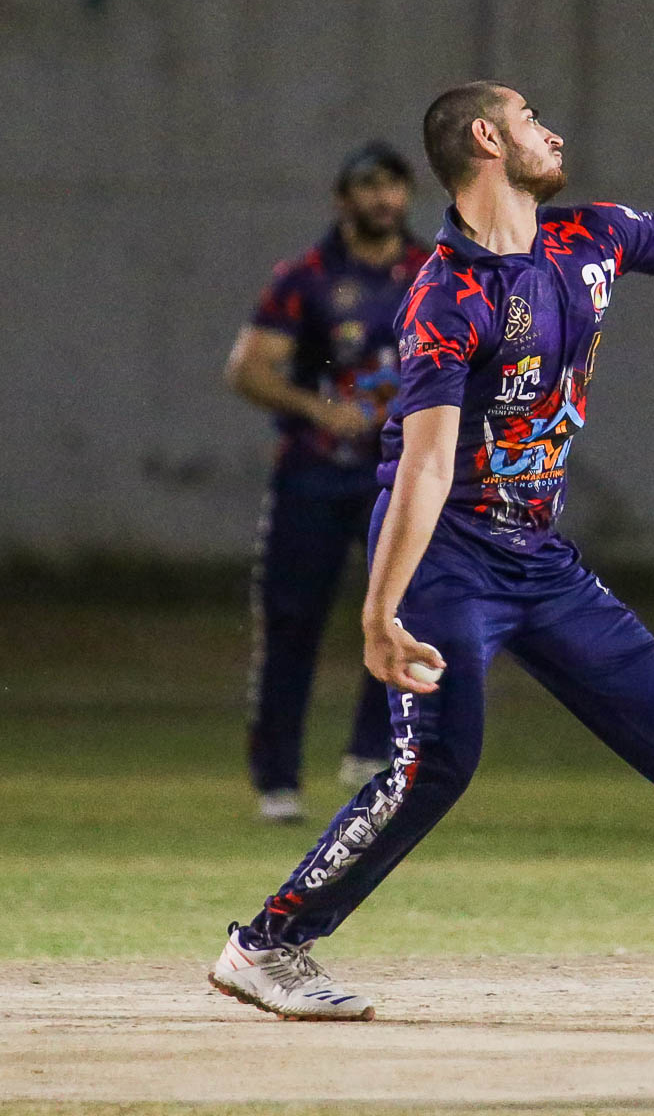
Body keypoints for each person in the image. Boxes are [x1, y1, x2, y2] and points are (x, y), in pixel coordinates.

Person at [209, 83, 654, 1017]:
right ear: (486, 139)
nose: (552, 133)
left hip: (535, 555)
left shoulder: (588, 237)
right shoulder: (445, 296)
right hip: (445, 557)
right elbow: (426, 465)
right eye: (529, 120)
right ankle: (267, 944)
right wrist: (381, 612)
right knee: (436, 765)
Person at [225, 142, 430, 822]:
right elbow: (248, 369)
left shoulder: (431, 272)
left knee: (405, 611)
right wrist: (319, 411)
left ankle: (374, 752)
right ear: (343, 198)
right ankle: (277, 781)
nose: (384, 198)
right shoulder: (306, 277)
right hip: (314, 475)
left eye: (394, 185)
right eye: (369, 185)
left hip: (397, 477)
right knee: (291, 623)